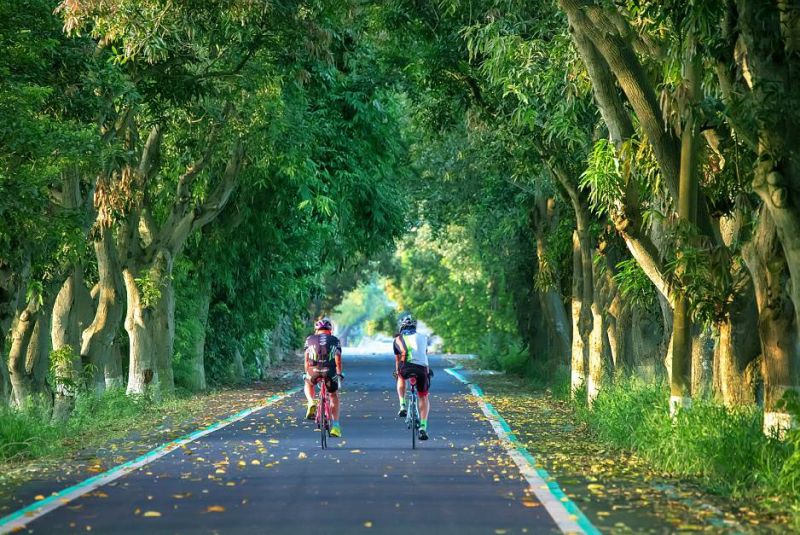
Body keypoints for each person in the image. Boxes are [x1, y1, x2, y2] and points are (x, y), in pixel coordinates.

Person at [393, 314, 432, 441]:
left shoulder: (398, 339)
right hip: (421, 369)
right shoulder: (423, 338)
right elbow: (424, 355)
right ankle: (423, 427)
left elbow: (398, 360)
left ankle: (402, 405)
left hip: (406, 368)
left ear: (402, 327)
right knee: (423, 396)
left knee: (400, 376)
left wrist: (397, 371)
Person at [303, 317, 344, 437]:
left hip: (313, 371)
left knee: (308, 383)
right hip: (329, 372)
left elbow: (306, 358)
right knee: (333, 395)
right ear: (330, 331)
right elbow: (338, 359)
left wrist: (306, 372)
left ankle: (311, 402)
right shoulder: (335, 340)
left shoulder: (309, 339)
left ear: (316, 330)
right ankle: (336, 426)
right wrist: (339, 373)